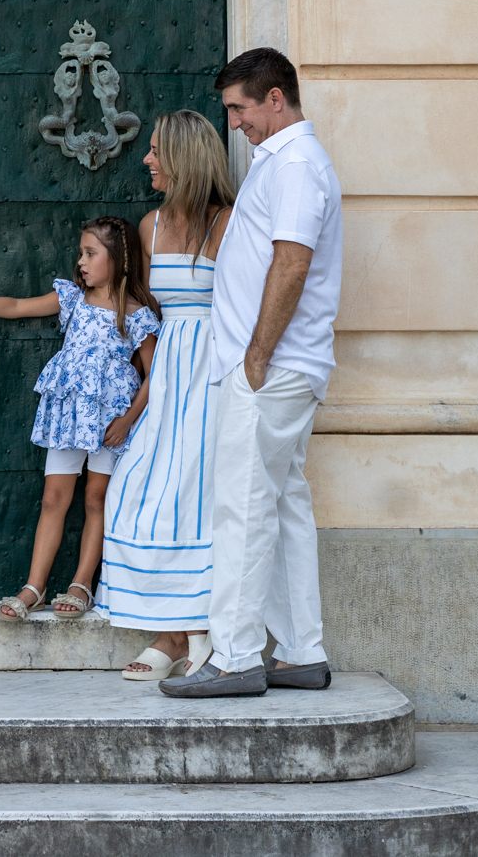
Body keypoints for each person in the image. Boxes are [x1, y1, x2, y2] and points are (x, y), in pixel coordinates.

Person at [160, 48, 342, 700]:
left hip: (270, 367)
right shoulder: (281, 164)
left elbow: (291, 264)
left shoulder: (295, 165)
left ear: (274, 99)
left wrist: (256, 356)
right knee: (285, 499)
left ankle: (236, 655)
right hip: (281, 366)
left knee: (241, 503)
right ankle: (299, 652)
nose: (233, 122)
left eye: (239, 108)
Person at [0, 217, 159, 621]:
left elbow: (155, 375)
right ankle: (34, 587)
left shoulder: (136, 315)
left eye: (91, 254)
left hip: (112, 419)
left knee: (97, 499)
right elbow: (18, 307)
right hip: (68, 413)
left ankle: (82, 584)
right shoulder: (73, 299)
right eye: (81, 253)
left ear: (119, 260)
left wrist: (127, 421)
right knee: (54, 497)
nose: (82, 262)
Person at [98, 111, 234, 680]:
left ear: (184, 158)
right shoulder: (150, 226)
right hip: (169, 371)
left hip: (215, 371)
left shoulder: (227, 222)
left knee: (198, 497)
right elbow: (149, 308)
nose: (148, 159)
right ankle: (178, 632)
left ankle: (190, 631)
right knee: (135, 490)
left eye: (157, 151)